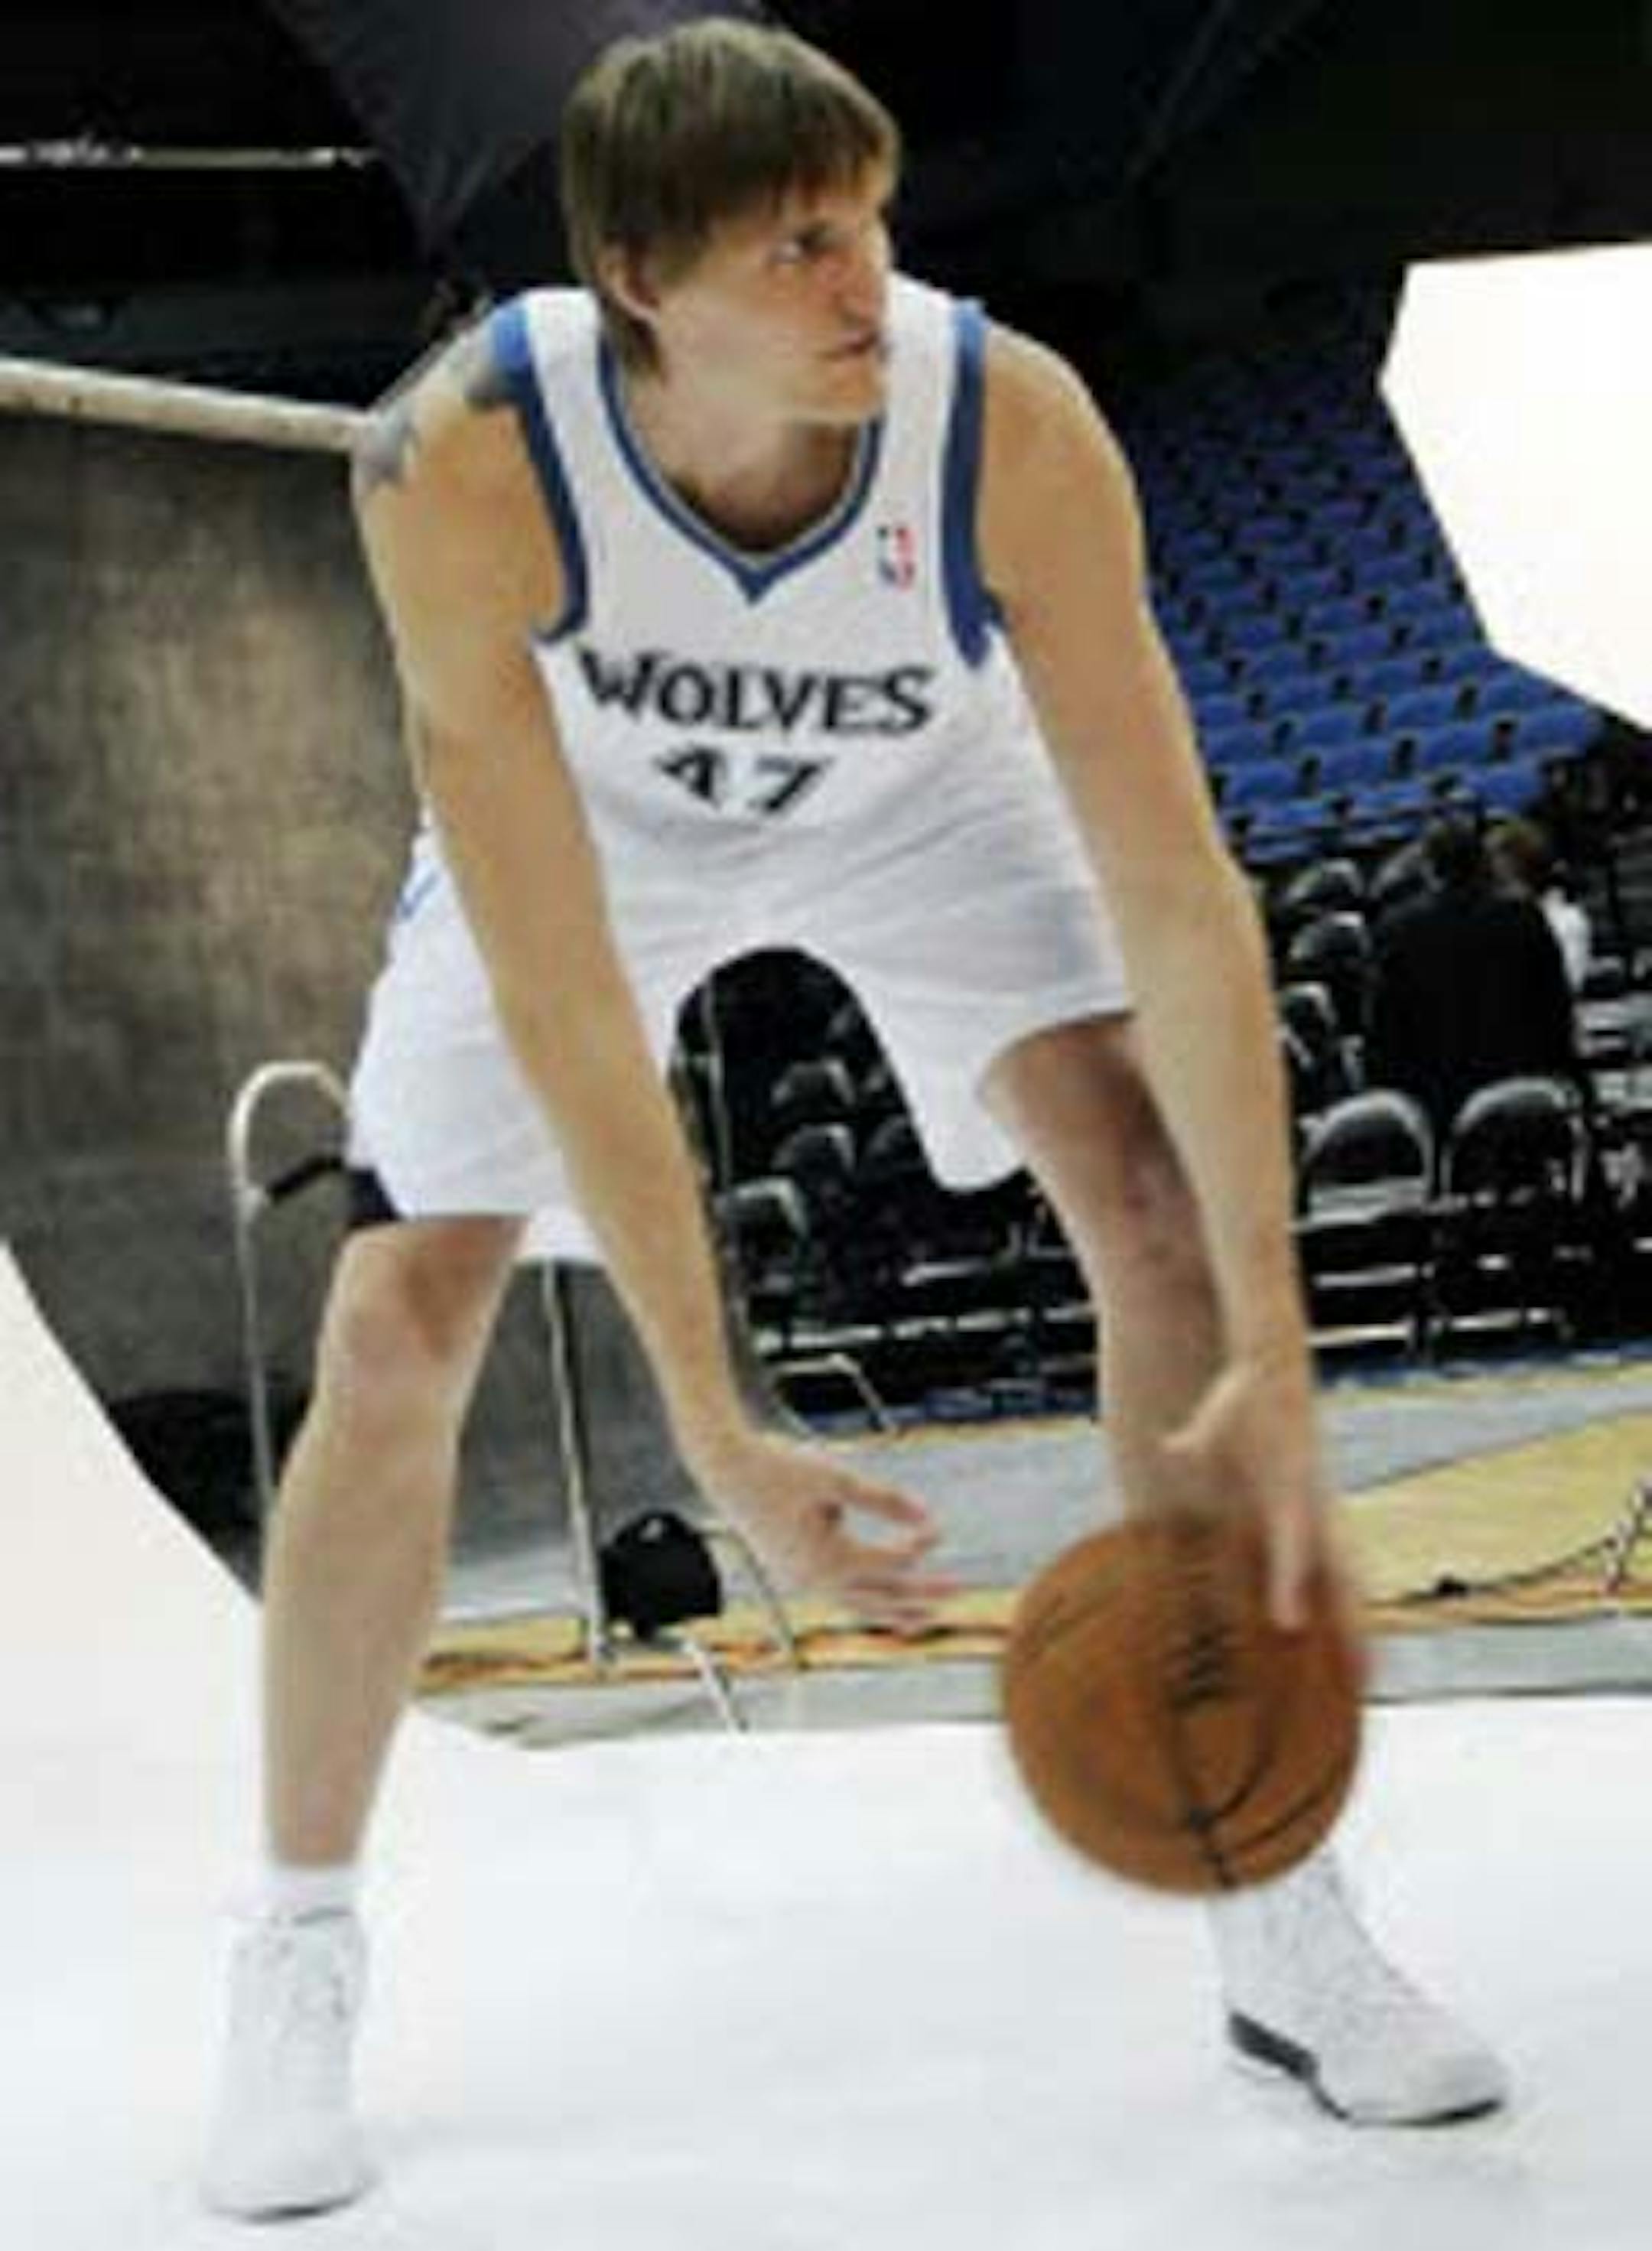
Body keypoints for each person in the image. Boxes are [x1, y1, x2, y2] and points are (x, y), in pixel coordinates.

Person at [201, 21, 1507, 2220]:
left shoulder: (1005, 420)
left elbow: (1177, 885)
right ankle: (295, 1941)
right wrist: (716, 1421)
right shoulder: (460, 457)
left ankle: (1271, 1891)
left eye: (873, 225)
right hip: (597, 831)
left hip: (924, 792)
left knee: (1158, 1212)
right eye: (799, 247)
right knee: (395, 1323)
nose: (865, 284)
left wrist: (1280, 1330)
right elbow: (565, 996)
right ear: (637, 278)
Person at [1366, 814, 1583, 1143]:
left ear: (1429, 868)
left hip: (1441, 1100)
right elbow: (1555, 1010)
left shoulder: (1396, 931)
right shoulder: (1522, 916)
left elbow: (1386, 1033)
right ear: (1483, 862)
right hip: (1525, 1088)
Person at [1488, 814, 1592, 993]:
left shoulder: (1566, 921)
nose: (1495, 887)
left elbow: (1566, 985)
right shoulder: (1499, 922)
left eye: (1502, 880)